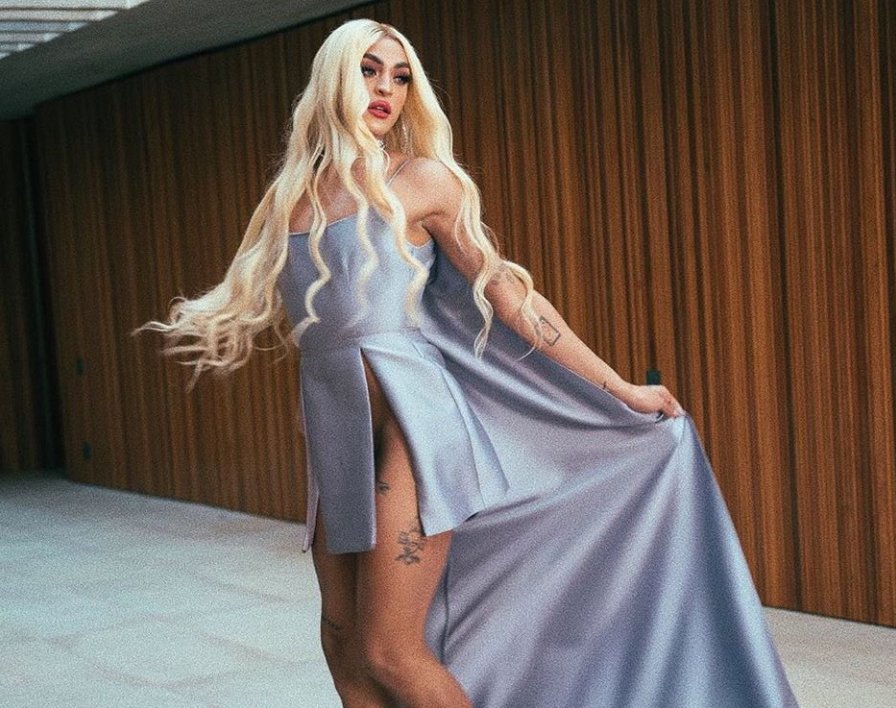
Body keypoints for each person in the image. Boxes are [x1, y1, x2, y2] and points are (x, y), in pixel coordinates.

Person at [138, 18, 798, 708]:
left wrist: (621, 389)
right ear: (333, 77)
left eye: (400, 77)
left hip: (416, 428)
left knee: (389, 651)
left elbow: (509, 295)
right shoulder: (289, 198)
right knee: (342, 646)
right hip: (336, 436)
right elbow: (318, 333)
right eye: (369, 70)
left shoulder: (421, 180)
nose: (386, 89)